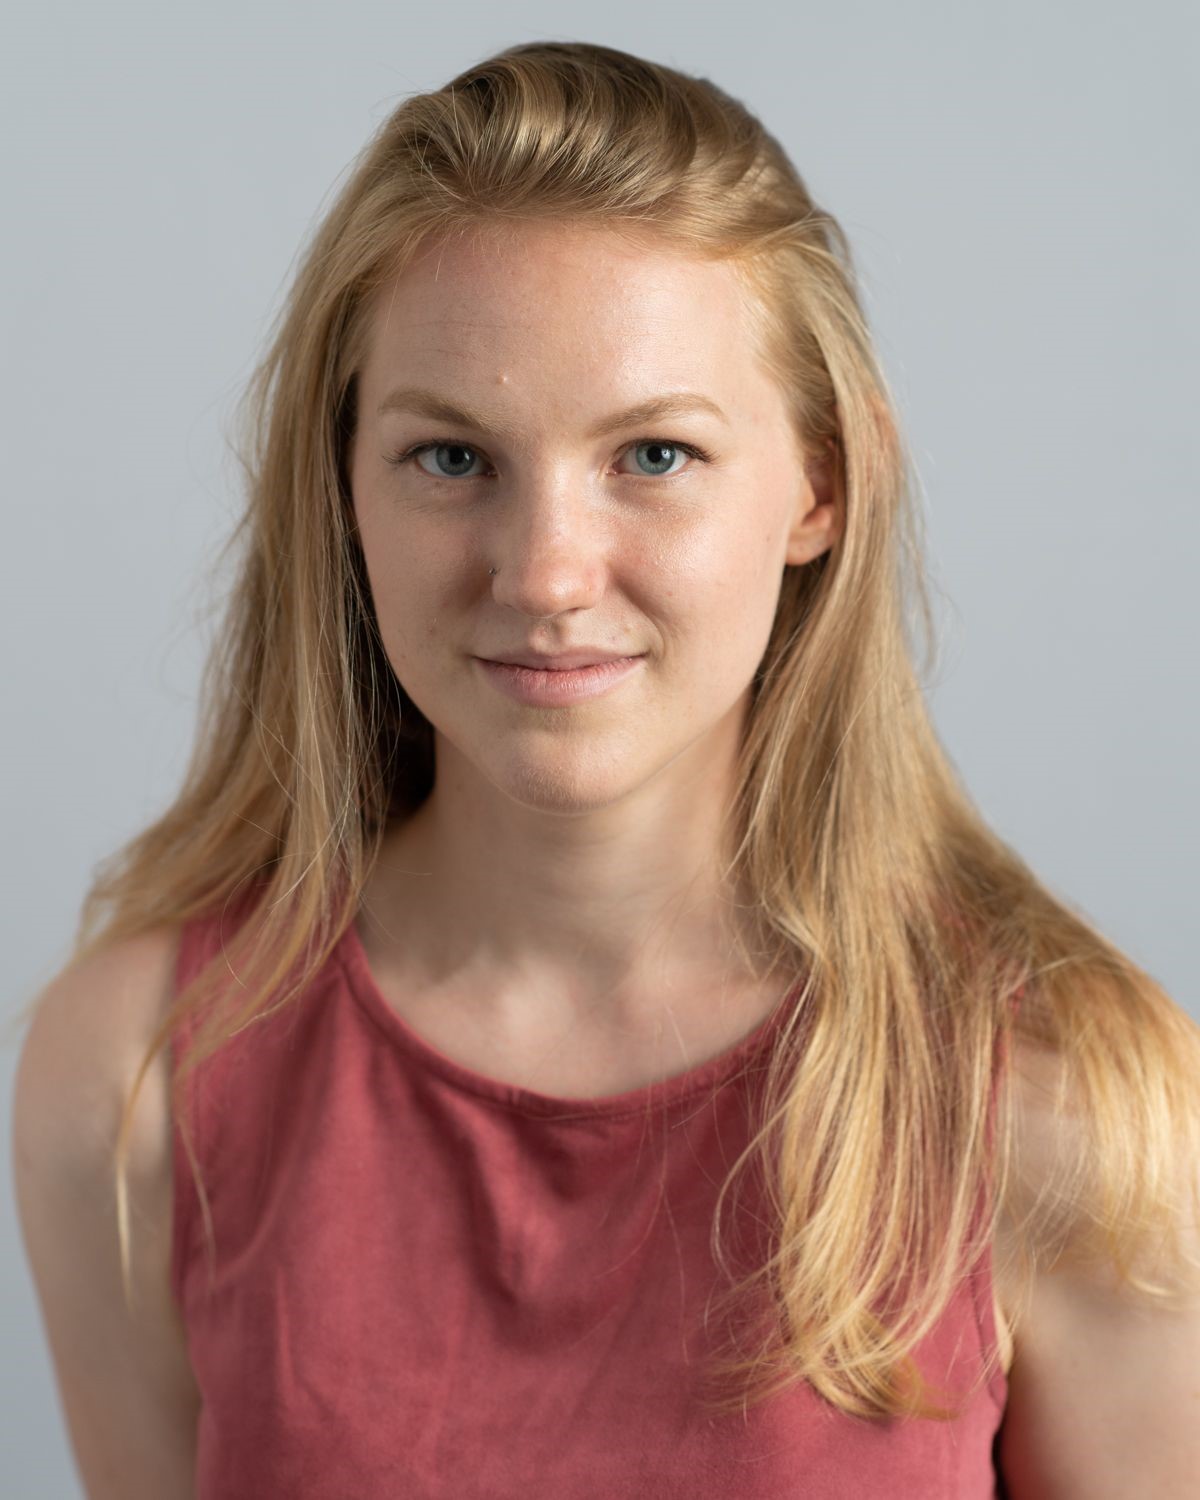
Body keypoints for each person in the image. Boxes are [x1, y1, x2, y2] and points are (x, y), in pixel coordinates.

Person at [12, 38, 1200, 1500]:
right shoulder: (134, 1079)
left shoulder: (1069, 1110)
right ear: (342, 487)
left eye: (653, 456)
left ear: (822, 484)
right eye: (453, 458)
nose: (545, 574)